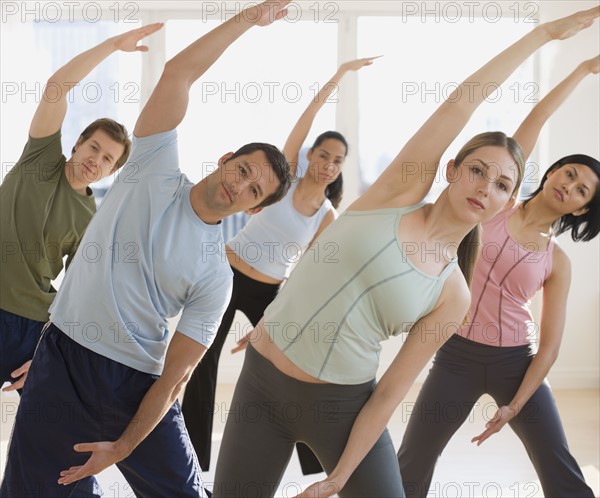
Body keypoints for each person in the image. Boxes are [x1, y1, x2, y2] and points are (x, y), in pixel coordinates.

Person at [212, 7, 600, 498]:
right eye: (477, 170)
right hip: (261, 386)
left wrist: (339, 477)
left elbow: (392, 390)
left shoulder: (452, 293)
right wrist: (542, 35)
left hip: (344, 406)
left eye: (502, 184)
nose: (485, 187)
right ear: (452, 168)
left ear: (506, 201)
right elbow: (460, 104)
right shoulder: (396, 193)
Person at [0, 2, 291, 497]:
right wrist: (249, 18)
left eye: (255, 191)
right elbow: (179, 72)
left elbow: (176, 377)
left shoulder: (217, 277)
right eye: (242, 170)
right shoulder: (153, 163)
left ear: (257, 210)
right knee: (31, 491)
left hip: (133, 383)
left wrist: (126, 445)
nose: (241, 187)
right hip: (63, 361)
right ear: (225, 160)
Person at [397, 55, 600, 498]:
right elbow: (537, 117)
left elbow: (549, 346)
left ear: (582, 208)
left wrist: (518, 403)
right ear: (550, 173)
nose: (570, 185)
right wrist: (582, 70)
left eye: (582, 189)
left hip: (516, 362)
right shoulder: (498, 202)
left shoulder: (557, 260)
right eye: (569, 173)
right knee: (411, 464)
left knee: (561, 470)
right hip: (456, 355)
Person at [181, 57, 375, 472]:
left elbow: (307, 273)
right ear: (310, 155)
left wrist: (268, 323)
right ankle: (195, 460)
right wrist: (337, 76)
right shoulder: (282, 178)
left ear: (341, 168)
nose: (328, 164)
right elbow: (306, 118)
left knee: (294, 363)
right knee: (201, 359)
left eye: (337, 160)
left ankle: (314, 461)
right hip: (226, 272)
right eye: (323, 154)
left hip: (270, 292)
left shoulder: (326, 216)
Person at [0, 25, 162, 392]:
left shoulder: (94, 221)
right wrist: (112, 45)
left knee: (49, 422)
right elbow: (57, 87)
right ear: (77, 145)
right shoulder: (39, 159)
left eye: (107, 158)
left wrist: (44, 350)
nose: (96, 159)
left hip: (27, 325)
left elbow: (78, 294)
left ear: (111, 171)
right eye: (94, 148)